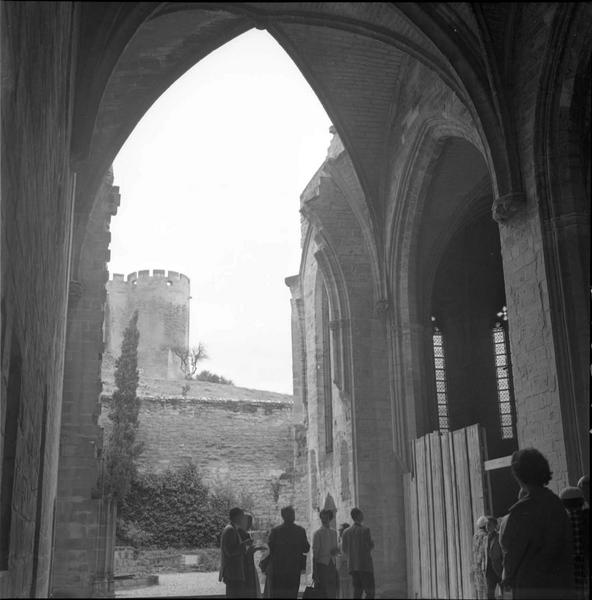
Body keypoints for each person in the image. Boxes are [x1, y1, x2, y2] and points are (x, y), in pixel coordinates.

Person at [499, 448, 574, 600]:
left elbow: (512, 558)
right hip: (561, 586)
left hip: (531, 588)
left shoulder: (522, 511)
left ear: (519, 477)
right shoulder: (557, 505)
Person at [267, 505, 310, 599]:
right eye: (292, 514)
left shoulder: (275, 531)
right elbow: (306, 548)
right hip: (294, 569)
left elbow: (270, 548)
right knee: (292, 594)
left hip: (279, 569)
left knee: (279, 594)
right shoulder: (300, 531)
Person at [560, 486, 589, 600]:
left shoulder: (560, 520)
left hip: (569, 562)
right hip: (585, 559)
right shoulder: (587, 516)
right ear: (581, 502)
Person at [341, 508, 375, 599]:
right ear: (359, 516)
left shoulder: (345, 532)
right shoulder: (365, 530)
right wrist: (372, 544)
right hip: (365, 565)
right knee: (370, 592)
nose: (363, 515)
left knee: (357, 592)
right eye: (362, 514)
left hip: (353, 567)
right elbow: (369, 547)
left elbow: (344, 549)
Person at [219, 507, 249, 598]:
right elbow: (230, 552)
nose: (243, 519)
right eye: (242, 516)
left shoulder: (232, 529)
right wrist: (245, 544)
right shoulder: (230, 530)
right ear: (236, 517)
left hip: (234, 572)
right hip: (233, 572)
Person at [312, 509, 339, 598]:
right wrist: (314, 572)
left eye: (326, 518)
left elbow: (336, 549)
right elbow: (315, 554)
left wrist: (336, 551)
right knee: (322, 591)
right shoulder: (317, 534)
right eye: (322, 518)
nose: (324, 520)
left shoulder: (334, 533)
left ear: (330, 518)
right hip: (322, 564)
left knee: (332, 590)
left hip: (332, 564)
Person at [238, 512, 264, 599]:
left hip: (248, 563)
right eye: (248, 522)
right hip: (245, 564)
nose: (249, 525)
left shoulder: (244, 533)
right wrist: (256, 548)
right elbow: (244, 550)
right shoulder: (241, 533)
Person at [472, 516, 489, 599]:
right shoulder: (485, 535)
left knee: (479, 589)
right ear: (485, 525)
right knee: (486, 589)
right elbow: (483, 551)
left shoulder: (475, 535)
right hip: (483, 565)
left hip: (476, 564)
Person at [485, 517, 503, 600]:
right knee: (490, 595)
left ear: (495, 525)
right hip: (489, 571)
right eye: (486, 525)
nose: (487, 527)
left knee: (505, 593)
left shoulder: (499, 537)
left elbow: (503, 552)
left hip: (499, 569)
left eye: (489, 524)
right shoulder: (485, 538)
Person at [337, 523, 352, 599]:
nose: (339, 532)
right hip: (345, 568)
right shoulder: (341, 542)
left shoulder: (343, 543)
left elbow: (342, 557)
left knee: (345, 590)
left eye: (340, 530)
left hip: (344, 568)